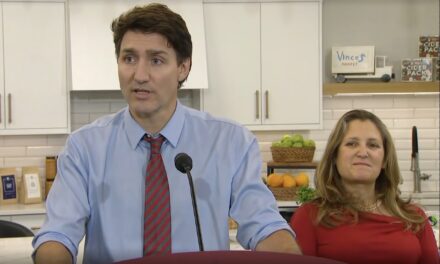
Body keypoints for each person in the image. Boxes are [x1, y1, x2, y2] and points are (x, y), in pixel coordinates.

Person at [32, 3, 301, 264]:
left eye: (156, 60)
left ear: (183, 68)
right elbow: (57, 235)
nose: (139, 75)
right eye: (129, 58)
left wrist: (289, 256)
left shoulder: (230, 142)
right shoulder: (85, 147)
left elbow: (264, 225)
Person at [290, 109, 439, 264]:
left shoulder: (414, 216)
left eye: (373, 145)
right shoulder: (310, 216)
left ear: (384, 160)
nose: (363, 152)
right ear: (334, 156)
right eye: (352, 144)